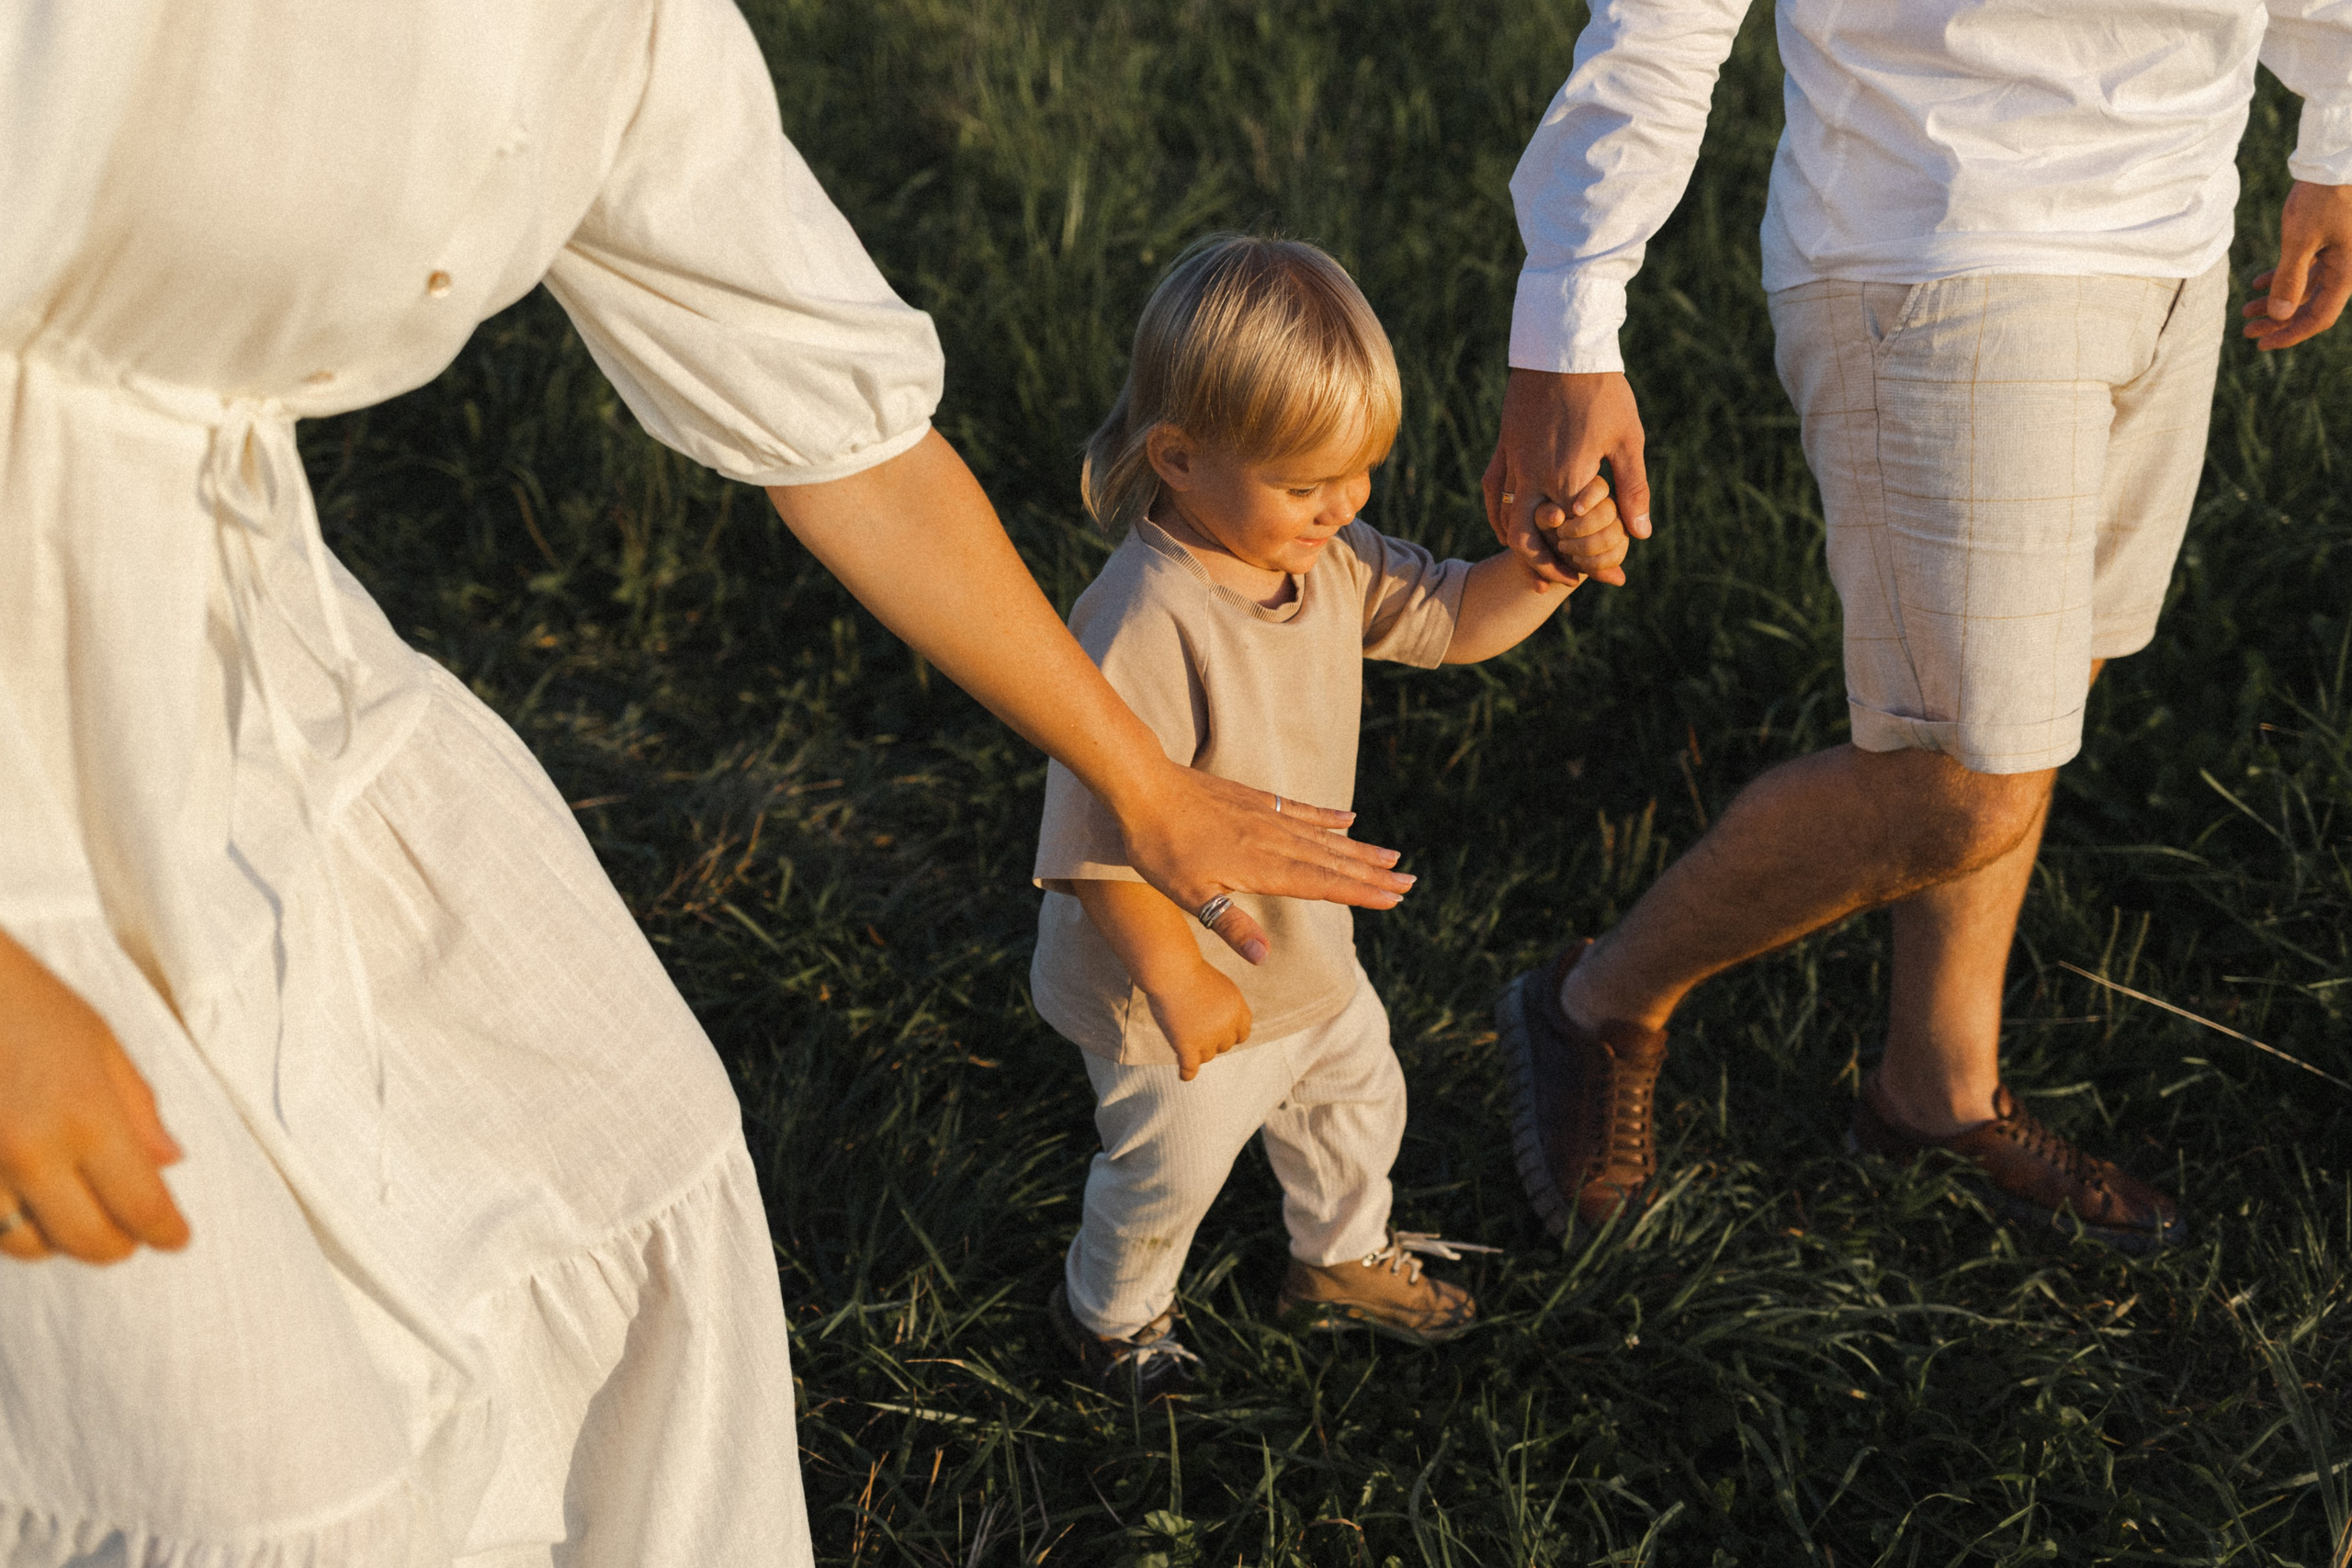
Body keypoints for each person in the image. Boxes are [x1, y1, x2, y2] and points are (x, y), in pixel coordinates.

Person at [0, 6, 1419, 1564]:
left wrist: (1143, 783)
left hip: (237, 641)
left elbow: (848, 442)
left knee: (636, 1171)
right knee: (224, 1440)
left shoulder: (624, 28)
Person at [1483, 0, 2352, 1254]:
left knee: (2042, 692)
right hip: (1937, 237)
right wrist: (1565, 316)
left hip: (2173, 225)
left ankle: (1929, 1093)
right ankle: (1595, 1001)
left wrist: (2330, 123)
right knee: (1964, 778)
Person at [1030, 236, 1629, 1395]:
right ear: (1181, 458)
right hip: (1172, 987)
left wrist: (1545, 572)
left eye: (1355, 476)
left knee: (1359, 1100)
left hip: (1305, 952)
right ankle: (1109, 1318)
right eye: (1306, 485)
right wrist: (1176, 977)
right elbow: (1098, 842)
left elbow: (1452, 616)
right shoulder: (1143, 617)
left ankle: (1340, 1259)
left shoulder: (1326, 559)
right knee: (1168, 1172)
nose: (1342, 506)